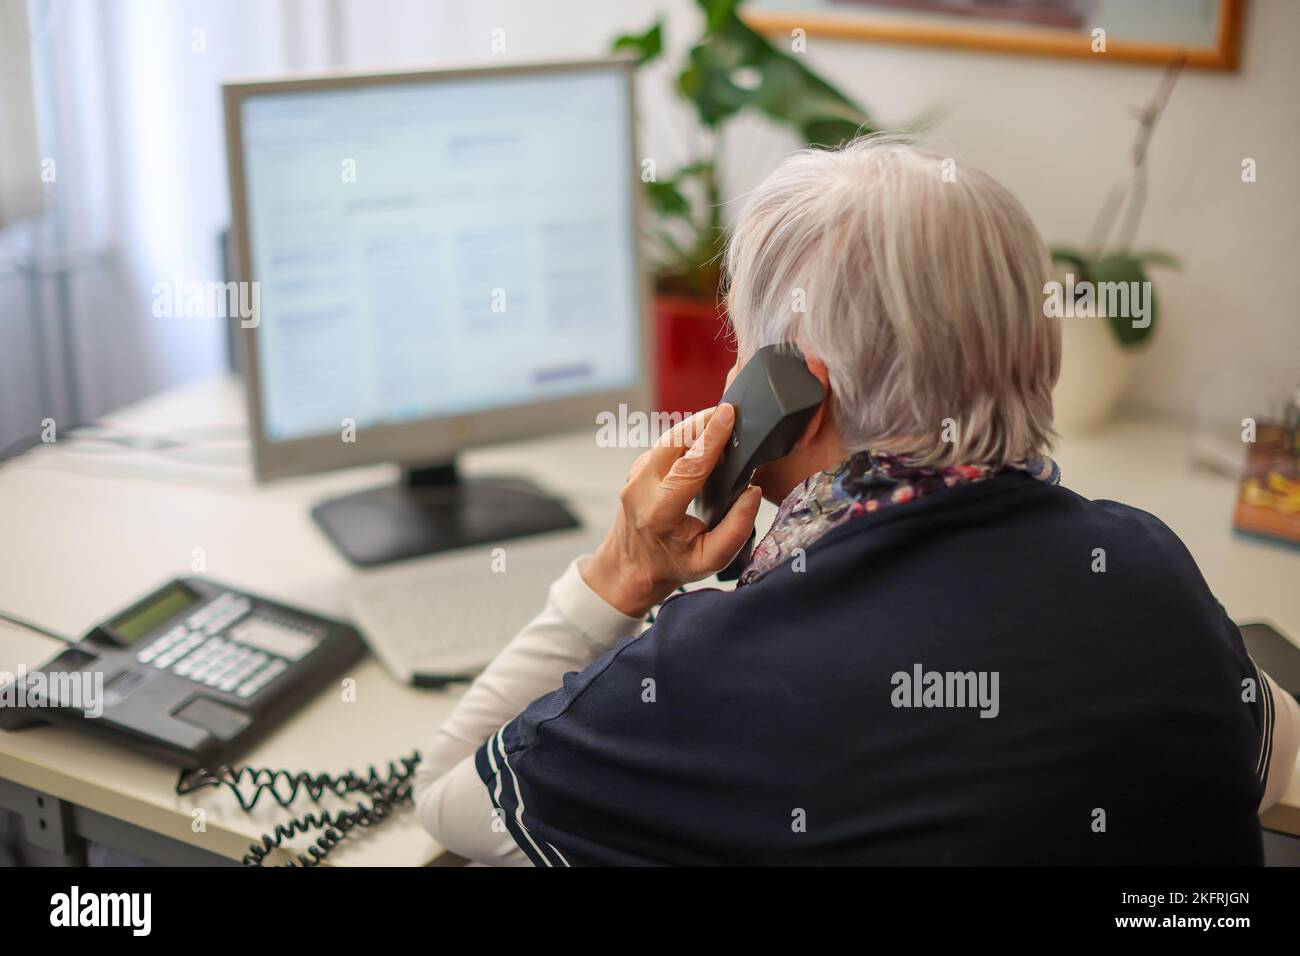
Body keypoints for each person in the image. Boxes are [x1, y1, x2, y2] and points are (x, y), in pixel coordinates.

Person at [412, 137, 1298, 865]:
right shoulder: (1148, 571)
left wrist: (624, 571)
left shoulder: (711, 674)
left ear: (786, 393)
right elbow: (1274, 758)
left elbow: (447, 795)